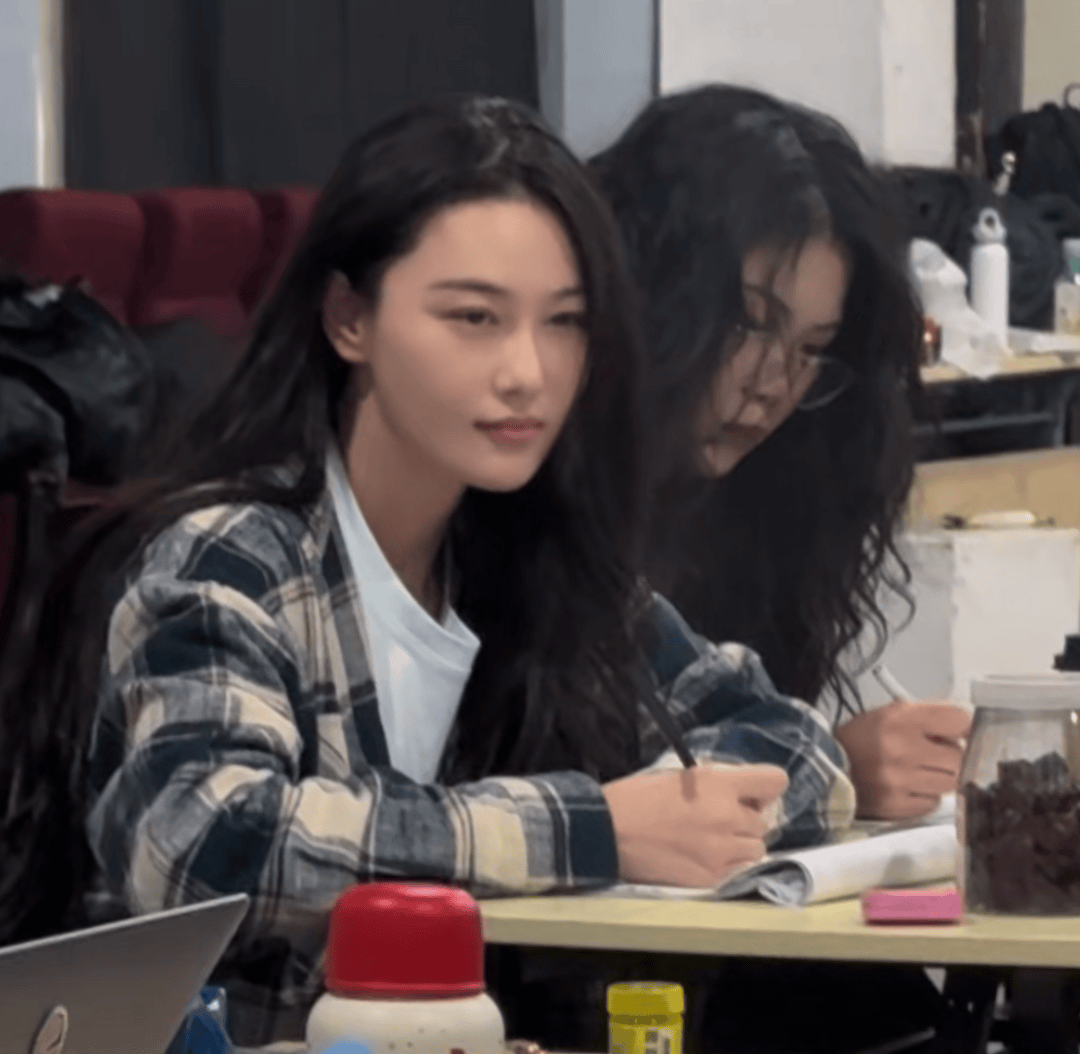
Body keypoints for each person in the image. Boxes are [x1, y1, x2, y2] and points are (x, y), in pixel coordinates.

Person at [0, 96, 852, 1047]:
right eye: (475, 317)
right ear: (349, 318)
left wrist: (683, 815)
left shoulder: (539, 559)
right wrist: (596, 830)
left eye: (565, 323)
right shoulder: (234, 553)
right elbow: (209, 841)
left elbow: (798, 747)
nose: (528, 371)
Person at [592, 85, 972, 823]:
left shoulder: (764, 512)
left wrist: (817, 760)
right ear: (650, 294)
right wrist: (834, 767)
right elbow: (590, 790)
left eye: (811, 350)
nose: (772, 383)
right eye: (748, 323)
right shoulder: (544, 502)